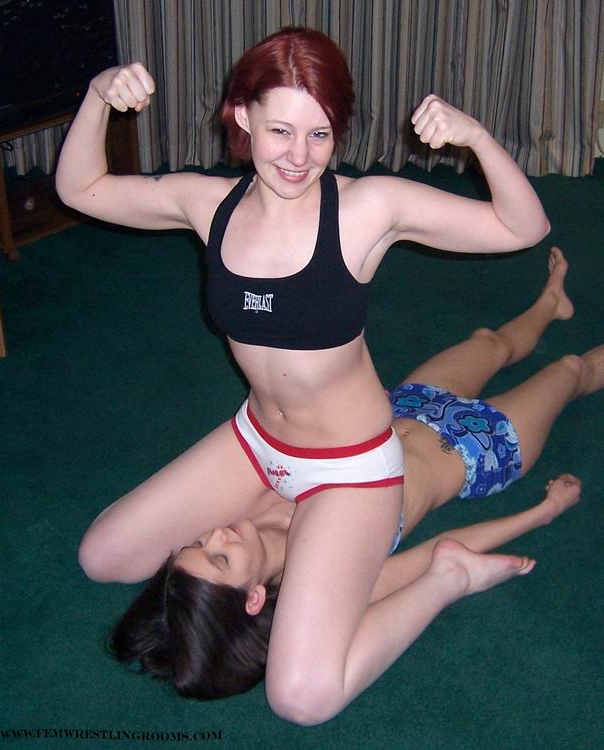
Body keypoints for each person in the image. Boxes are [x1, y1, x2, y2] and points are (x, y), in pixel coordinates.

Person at [56, 27, 551, 725]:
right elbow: (80, 188)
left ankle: (445, 578)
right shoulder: (209, 205)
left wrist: (475, 137)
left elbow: (523, 226)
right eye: (281, 130)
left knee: (301, 698)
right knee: (102, 555)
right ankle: (276, 528)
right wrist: (97, 96)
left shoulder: (367, 209)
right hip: (258, 442)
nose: (298, 156)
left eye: (319, 135)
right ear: (242, 116)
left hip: (351, 468)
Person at [108, 247, 597, 703]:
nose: (216, 535)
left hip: (407, 404)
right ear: (253, 597)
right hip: (480, 451)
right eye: (220, 558)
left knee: (489, 343)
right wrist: (540, 513)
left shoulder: (248, 508)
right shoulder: (326, 580)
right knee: (571, 370)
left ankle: (550, 305)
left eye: (199, 543)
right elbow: (437, 554)